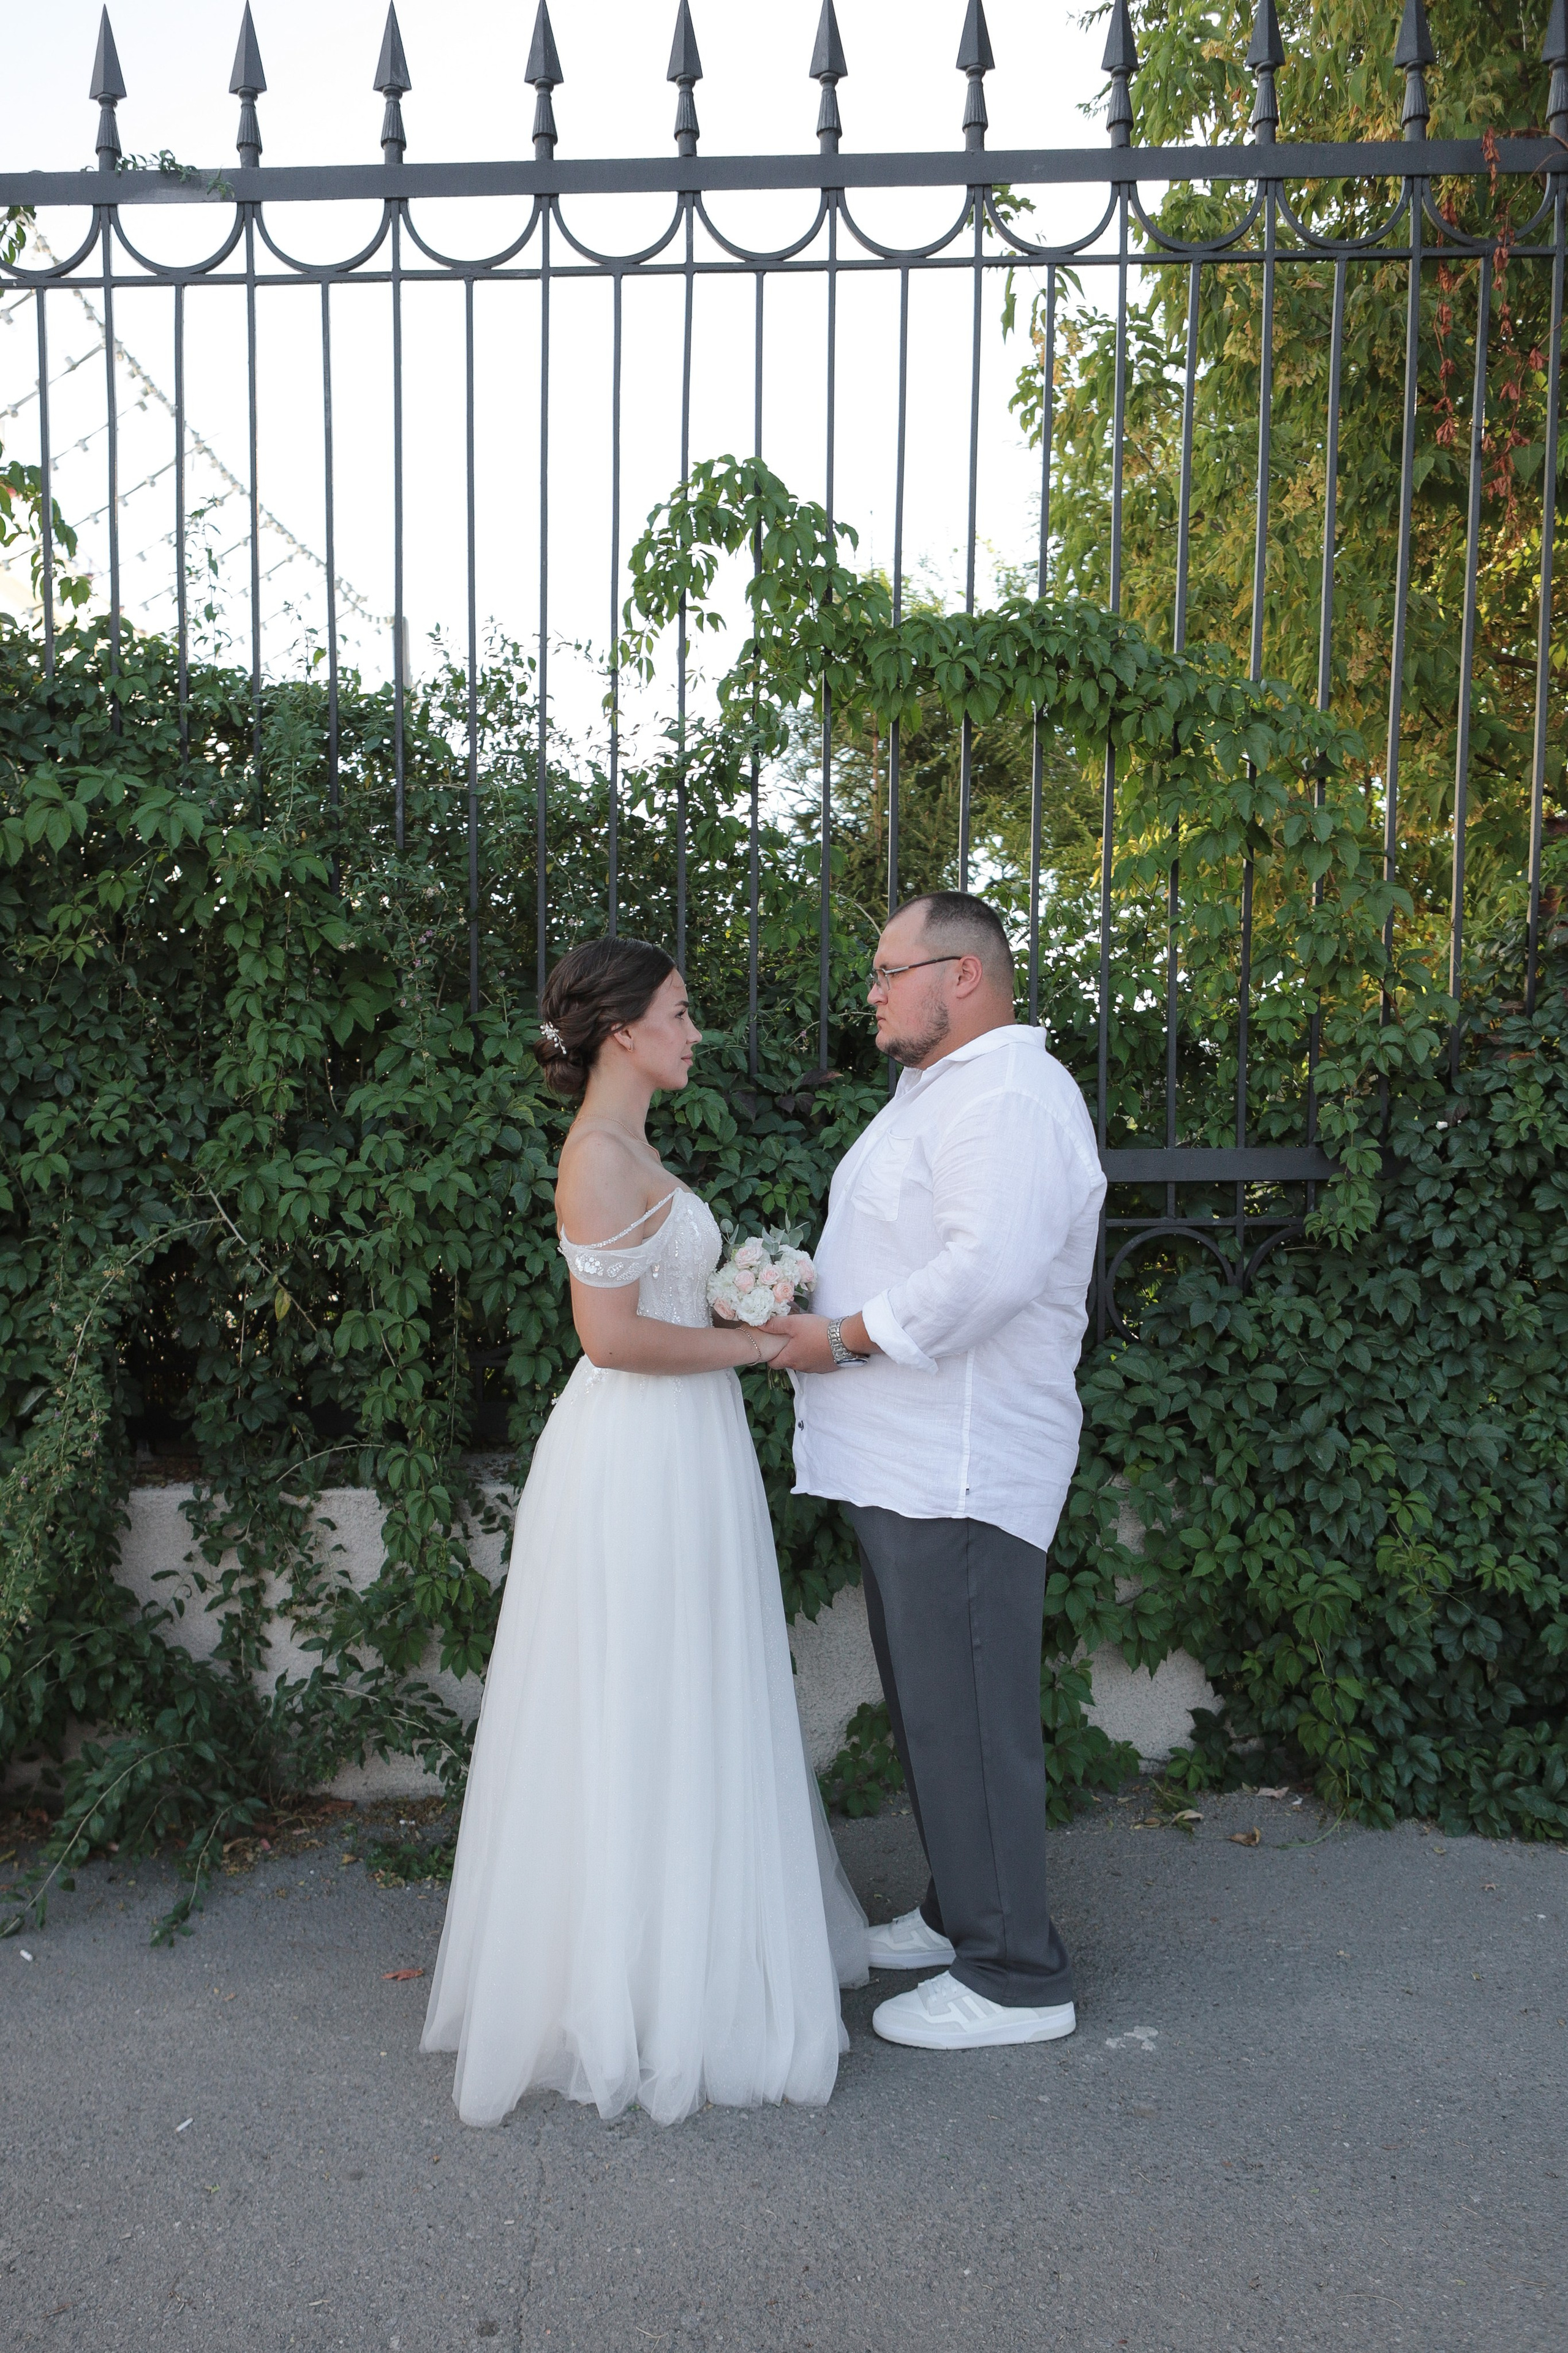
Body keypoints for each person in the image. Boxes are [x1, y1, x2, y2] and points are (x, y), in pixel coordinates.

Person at [422, 936, 867, 2128]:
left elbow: (657, 1302)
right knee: (640, 1693)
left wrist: (732, 1299)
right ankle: (634, 1987)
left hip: (690, 1442)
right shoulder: (597, 1158)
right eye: (677, 1011)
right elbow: (611, 1339)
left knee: (693, 1687)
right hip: (640, 1445)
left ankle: (694, 1956)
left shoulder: (635, 1148)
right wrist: (764, 1341)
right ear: (621, 1030)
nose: (693, 1030)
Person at [765, 891, 1106, 2052]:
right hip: (907, 1461)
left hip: (960, 1464)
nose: (870, 991)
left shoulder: (1008, 1094)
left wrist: (842, 1335)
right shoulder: (940, 1091)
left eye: (885, 969)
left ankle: (1017, 1973)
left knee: (968, 1712)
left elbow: (987, 1272)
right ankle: (966, 1910)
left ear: (961, 975)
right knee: (933, 1709)